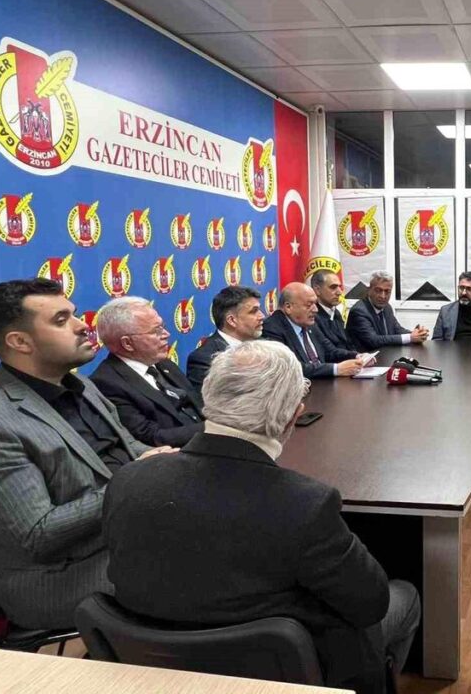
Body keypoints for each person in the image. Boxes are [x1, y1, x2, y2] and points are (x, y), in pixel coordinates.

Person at [104, 341, 420, 693]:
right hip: (284, 672)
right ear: (294, 415)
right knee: (404, 596)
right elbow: (371, 603)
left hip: (155, 669)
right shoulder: (305, 504)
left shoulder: (128, 480)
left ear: (209, 399)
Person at [0, 279, 169, 629]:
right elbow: (37, 535)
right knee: (214, 563)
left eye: (74, 314)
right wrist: (135, 480)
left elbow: (131, 449)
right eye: (61, 320)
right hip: (62, 575)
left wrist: (176, 460)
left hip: (127, 532)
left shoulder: (83, 386)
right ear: (20, 342)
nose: (82, 326)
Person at [91, 297, 203, 448]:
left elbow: (197, 404)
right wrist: (211, 428)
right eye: (156, 331)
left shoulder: (163, 363)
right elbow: (150, 436)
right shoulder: (106, 383)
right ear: (127, 343)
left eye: (163, 326)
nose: (166, 334)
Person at [261, 282, 369, 379]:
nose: (315, 310)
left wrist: (356, 356)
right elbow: (290, 368)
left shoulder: (308, 322)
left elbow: (330, 351)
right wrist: (336, 369)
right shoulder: (272, 328)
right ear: (288, 307)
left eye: (315, 304)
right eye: (309, 305)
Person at [186, 285, 264, 389]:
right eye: (254, 311)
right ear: (232, 320)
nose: (262, 316)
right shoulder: (204, 359)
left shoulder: (265, 347)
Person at [346, 271, 428, 352]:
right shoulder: (359, 311)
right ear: (369, 290)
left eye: (387, 291)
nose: (383, 296)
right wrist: (410, 337)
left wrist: (417, 334)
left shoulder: (387, 307)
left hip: (384, 355)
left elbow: (397, 330)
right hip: (363, 358)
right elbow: (374, 341)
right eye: (378, 290)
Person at [310, 269, 359, 357]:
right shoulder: (312, 317)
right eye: (333, 287)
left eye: (339, 287)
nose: (339, 292)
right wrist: (355, 356)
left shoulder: (336, 312)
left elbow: (347, 342)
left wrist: (361, 356)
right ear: (317, 290)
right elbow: (328, 351)